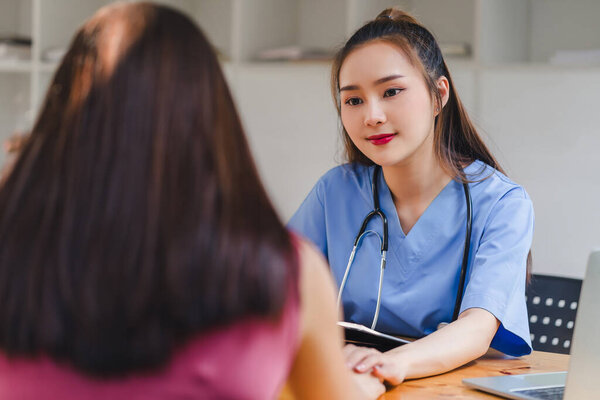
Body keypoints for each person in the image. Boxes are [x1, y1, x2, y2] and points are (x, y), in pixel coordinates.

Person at [0, 3, 385, 399]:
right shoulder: (289, 273)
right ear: (212, 121)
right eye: (354, 100)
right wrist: (358, 387)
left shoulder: (14, 250)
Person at [288, 7, 534, 386]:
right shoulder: (335, 192)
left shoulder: (502, 204)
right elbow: (275, 293)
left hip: (447, 388)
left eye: (391, 92)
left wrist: (386, 366)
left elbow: (477, 329)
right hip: (346, 380)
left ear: (439, 95)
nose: (372, 115)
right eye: (353, 100)